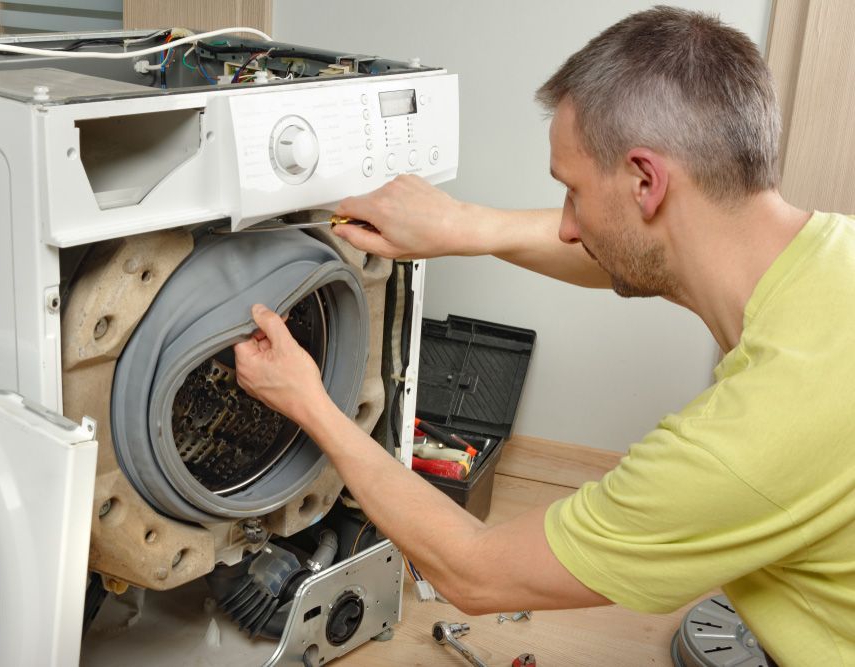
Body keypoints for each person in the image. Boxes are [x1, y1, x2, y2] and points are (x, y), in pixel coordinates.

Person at [233, 6, 855, 664]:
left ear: (647, 181)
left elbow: (476, 571)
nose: (564, 225)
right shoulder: (831, 252)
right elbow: (640, 251)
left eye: (573, 193)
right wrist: (464, 227)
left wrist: (312, 405)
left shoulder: (747, 440)